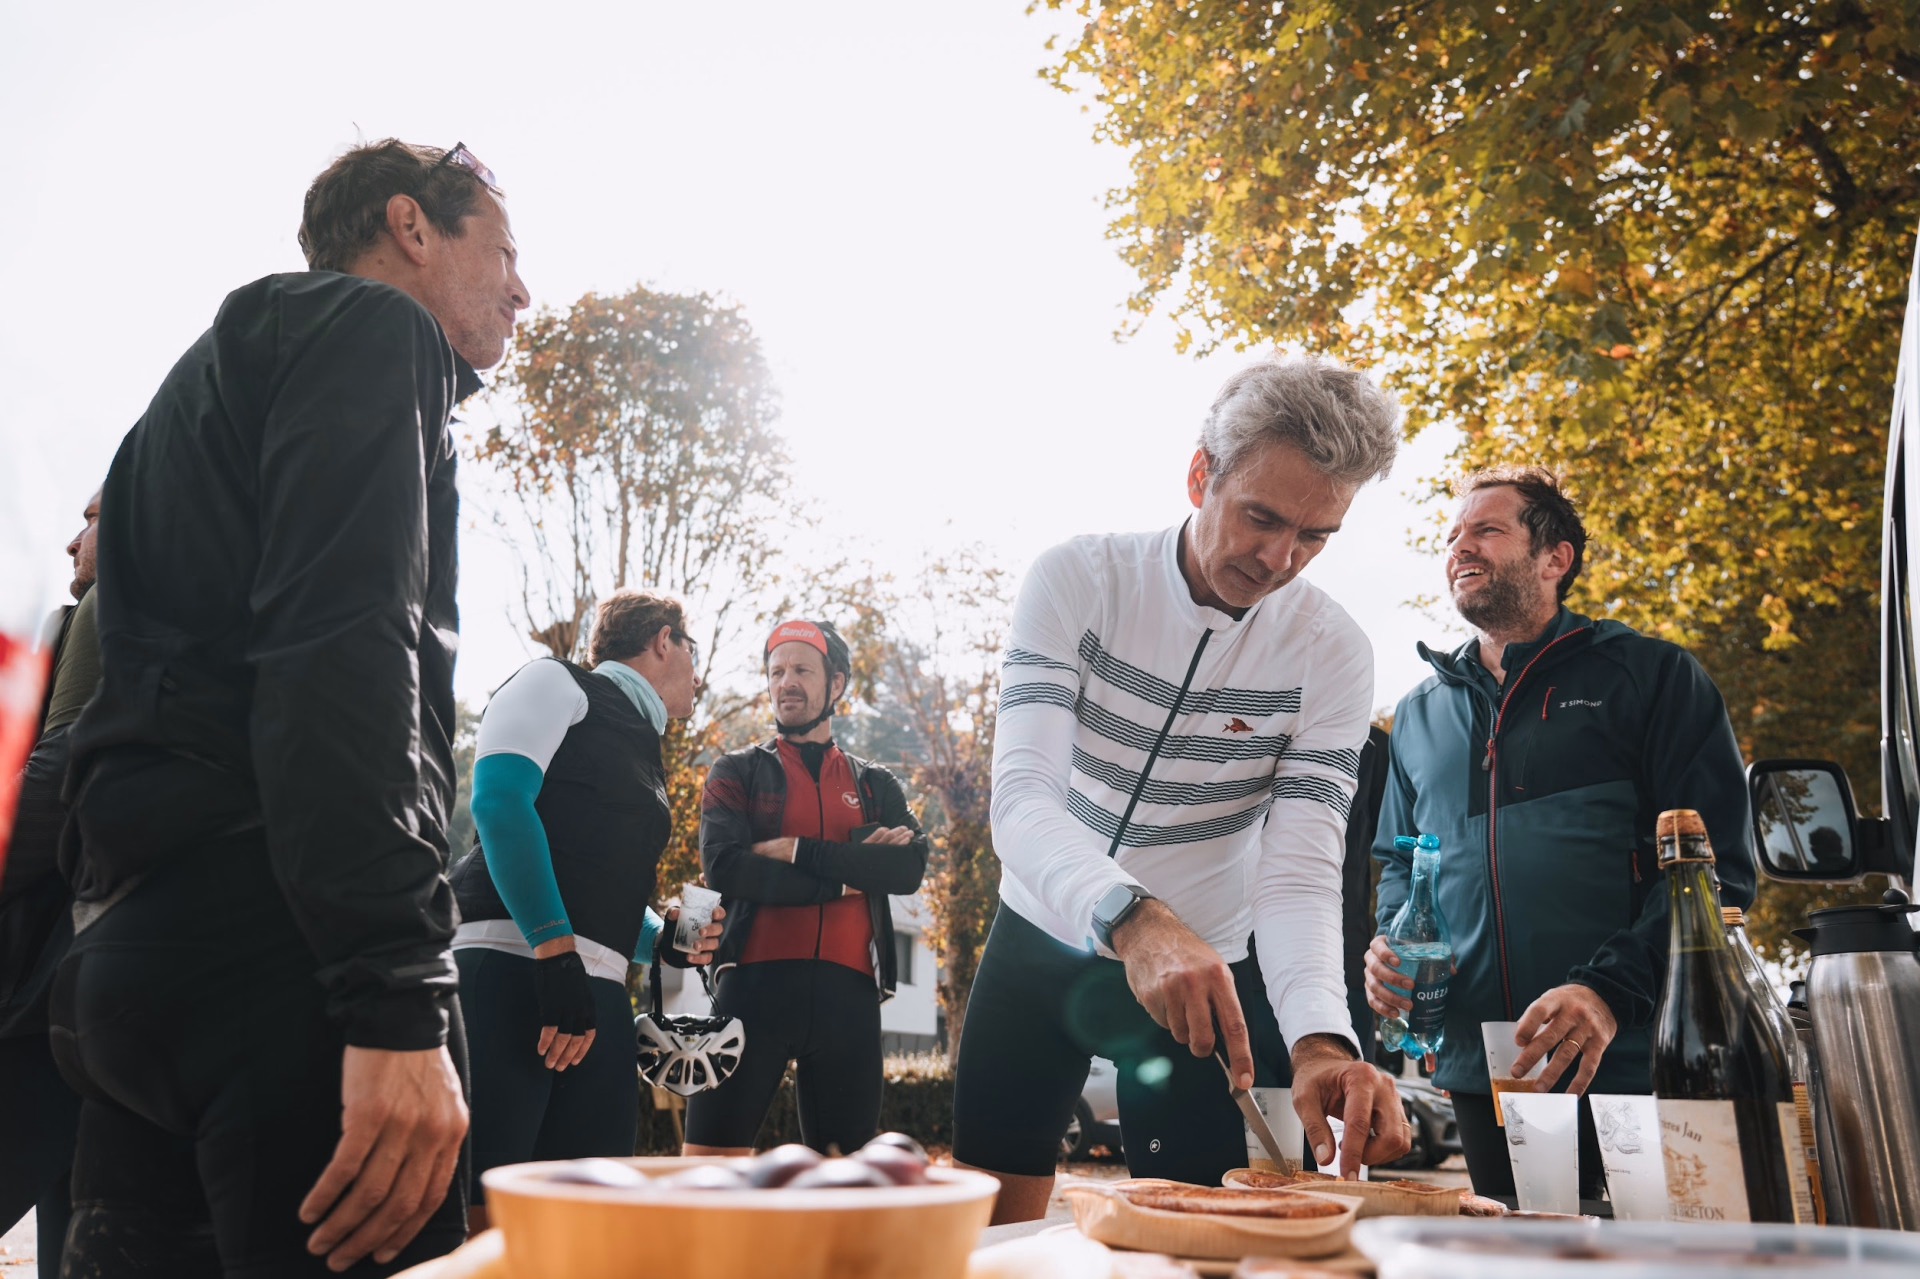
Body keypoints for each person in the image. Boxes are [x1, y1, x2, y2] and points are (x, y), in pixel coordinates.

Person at [52, 139, 528, 1276]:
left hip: (127, 965)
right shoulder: (374, 332)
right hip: (287, 957)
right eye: (504, 252)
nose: (522, 288)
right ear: (413, 227)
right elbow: (342, 658)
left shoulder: (190, 399)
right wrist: (397, 994)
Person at [952, 356, 1413, 1223]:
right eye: (1262, 517)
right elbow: (1020, 801)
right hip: (1042, 937)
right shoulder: (1077, 580)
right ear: (1201, 473)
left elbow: (1302, 869)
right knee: (996, 1229)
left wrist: (1321, 1039)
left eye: (1316, 537)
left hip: (1205, 971)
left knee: (1200, 1231)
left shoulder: (1333, 652)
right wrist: (1134, 915)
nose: (1280, 559)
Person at [1364, 466, 1756, 1202]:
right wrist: (1392, 944)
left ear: (1555, 558)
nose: (1459, 547)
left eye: (1486, 529)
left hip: (1640, 1057)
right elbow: (1397, 859)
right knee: (1522, 1261)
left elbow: (1720, 873)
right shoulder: (1416, 714)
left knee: (1662, 1266)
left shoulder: (1653, 675)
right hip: (1487, 1072)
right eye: (1452, 536)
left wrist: (1610, 991)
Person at [450, 590, 722, 1230]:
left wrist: (662, 940)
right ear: (663, 640)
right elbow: (500, 803)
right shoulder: (557, 682)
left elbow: (602, 885)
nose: (698, 674)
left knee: (586, 1221)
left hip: (591, 990)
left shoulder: (646, 752)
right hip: (511, 967)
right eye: (693, 652)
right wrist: (553, 950)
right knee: (481, 1218)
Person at [684, 618, 929, 1156]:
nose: (784, 682)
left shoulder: (875, 783)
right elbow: (725, 868)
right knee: (705, 1175)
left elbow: (907, 870)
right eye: (775, 671)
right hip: (751, 990)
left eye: (800, 669)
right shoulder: (737, 771)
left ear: (836, 684)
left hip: (851, 1002)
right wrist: (850, 876)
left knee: (845, 1189)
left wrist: (799, 852)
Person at [0, 488, 100, 1278]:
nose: (74, 542)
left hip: (58, 972)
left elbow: (53, 781)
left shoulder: (110, 610)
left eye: (95, 519)